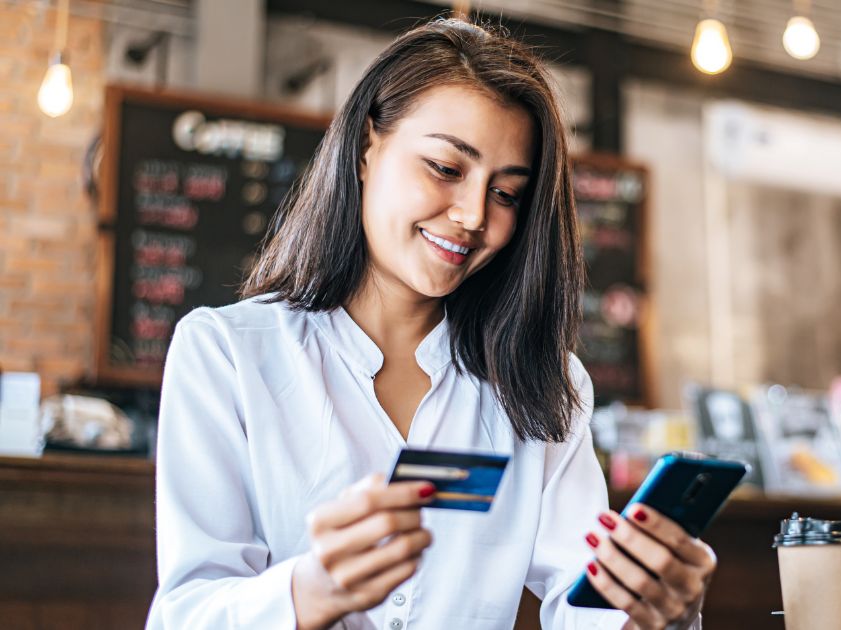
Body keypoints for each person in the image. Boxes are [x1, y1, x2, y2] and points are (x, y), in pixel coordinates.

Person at [146, 18, 715, 630]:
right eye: (446, 167)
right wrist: (308, 591)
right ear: (367, 147)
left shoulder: (545, 386)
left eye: (506, 194)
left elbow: (583, 610)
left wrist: (655, 609)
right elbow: (185, 614)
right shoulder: (227, 353)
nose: (472, 215)